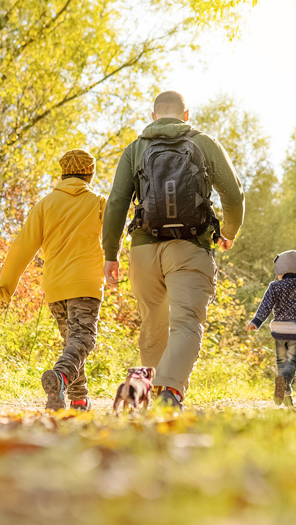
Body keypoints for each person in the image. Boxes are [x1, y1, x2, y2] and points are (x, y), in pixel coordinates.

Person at [102, 90, 245, 409]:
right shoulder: (204, 143)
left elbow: (116, 203)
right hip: (190, 246)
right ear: (186, 115)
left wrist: (110, 254)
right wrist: (229, 232)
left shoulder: (136, 148)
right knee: (186, 322)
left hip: (144, 250)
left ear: (153, 116)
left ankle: (142, 389)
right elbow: (234, 198)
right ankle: (170, 391)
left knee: (153, 321)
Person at [0, 149, 106, 411]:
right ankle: (61, 375)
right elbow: (115, 237)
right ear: (90, 174)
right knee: (84, 339)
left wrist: (6, 287)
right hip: (86, 283)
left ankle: (77, 399)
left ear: (62, 173)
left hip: (55, 286)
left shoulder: (45, 204)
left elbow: (22, 247)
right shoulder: (99, 202)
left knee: (73, 343)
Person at [245, 250, 296, 407]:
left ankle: (285, 394)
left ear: (280, 270)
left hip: (280, 331)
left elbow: (265, 306)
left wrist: (256, 322)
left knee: (281, 361)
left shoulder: (274, 287)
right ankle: (285, 385)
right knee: (292, 362)